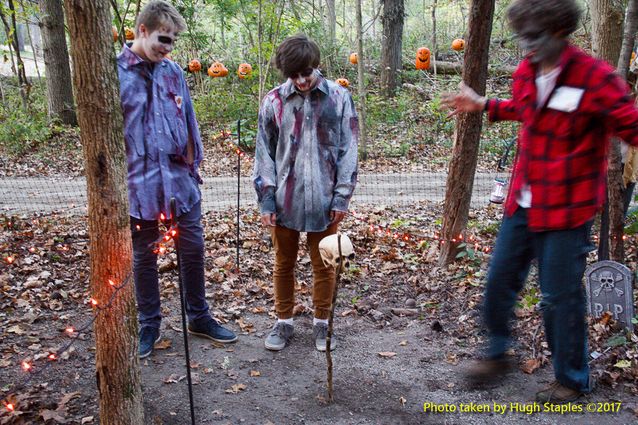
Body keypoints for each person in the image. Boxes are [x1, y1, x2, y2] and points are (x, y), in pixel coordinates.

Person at [442, 0, 638, 403]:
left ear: (560, 32)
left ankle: (571, 379)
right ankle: (497, 354)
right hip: (523, 202)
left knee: (558, 297)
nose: (526, 45)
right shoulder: (527, 70)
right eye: (521, 36)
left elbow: (630, 123)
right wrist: (485, 105)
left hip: (567, 209)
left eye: (534, 36)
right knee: (497, 282)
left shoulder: (595, 77)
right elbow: (531, 111)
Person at [117, 0, 237, 359]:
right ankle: (149, 325)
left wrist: (192, 161)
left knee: (193, 249)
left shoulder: (172, 72)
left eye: (171, 42)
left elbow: (189, 122)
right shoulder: (114, 72)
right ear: (142, 30)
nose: (166, 48)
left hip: (180, 183)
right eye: (162, 39)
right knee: (144, 257)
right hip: (140, 185)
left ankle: (199, 317)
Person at [252, 34, 358, 352]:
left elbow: (348, 150)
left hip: (326, 201)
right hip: (284, 200)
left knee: (326, 263)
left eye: (305, 73)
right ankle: (283, 322)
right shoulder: (273, 102)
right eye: (293, 75)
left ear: (316, 65)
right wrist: (266, 199)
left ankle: (322, 325)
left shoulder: (339, 99)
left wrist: (342, 196)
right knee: (283, 263)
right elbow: (264, 154)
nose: (300, 81)